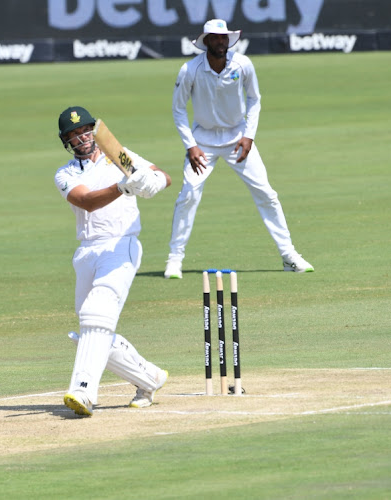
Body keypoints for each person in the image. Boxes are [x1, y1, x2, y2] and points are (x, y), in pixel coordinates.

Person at [164, 19, 314, 279]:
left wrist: (249, 136)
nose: (221, 42)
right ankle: (174, 260)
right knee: (188, 195)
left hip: (238, 139)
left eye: (224, 38)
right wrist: (191, 145)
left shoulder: (242, 64)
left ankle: (289, 255)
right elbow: (178, 109)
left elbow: (254, 99)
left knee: (266, 193)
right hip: (203, 142)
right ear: (206, 41)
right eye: (215, 38)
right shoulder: (189, 70)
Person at [54, 105, 172, 417]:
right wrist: (122, 187)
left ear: (93, 131)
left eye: (85, 130)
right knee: (91, 331)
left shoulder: (119, 157)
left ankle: (83, 391)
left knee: (97, 314)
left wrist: (151, 183)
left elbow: (163, 176)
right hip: (87, 252)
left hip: (121, 245)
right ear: (67, 141)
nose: (82, 137)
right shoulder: (64, 173)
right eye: (74, 134)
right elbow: (85, 201)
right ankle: (150, 378)